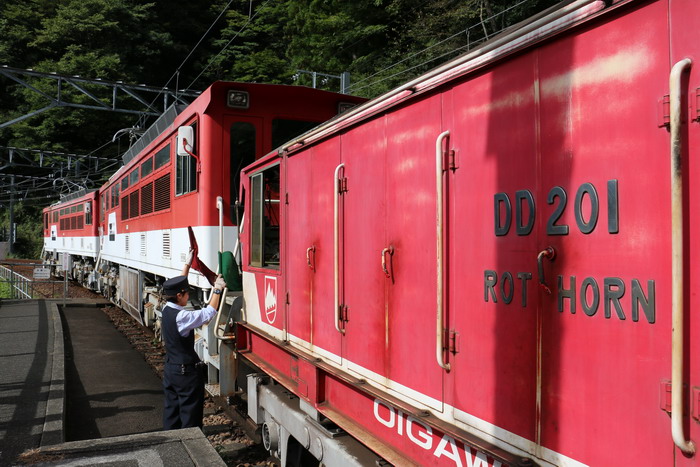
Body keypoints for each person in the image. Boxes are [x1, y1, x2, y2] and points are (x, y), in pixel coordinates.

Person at [161, 249, 226, 430]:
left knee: (171, 411)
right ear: (180, 296)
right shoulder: (182, 317)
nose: (189, 295)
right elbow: (208, 314)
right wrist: (218, 289)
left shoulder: (167, 308)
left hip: (171, 370)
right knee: (190, 415)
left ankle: (170, 445)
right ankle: (191, 447)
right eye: (187, 293)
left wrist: (187, 266)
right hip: (186, 373)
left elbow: (177, 285)